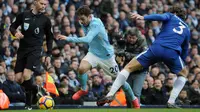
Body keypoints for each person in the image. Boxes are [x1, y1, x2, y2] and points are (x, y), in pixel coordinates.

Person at [97, 5, 190, 108]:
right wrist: (181, 63)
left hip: (157, 48)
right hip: (172, 53)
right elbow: (185, 49)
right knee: (183, 75)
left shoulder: (172, 16)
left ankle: (110, 94)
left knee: (128, 68)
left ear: (175, 13)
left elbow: (160, 17)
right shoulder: (187, 28)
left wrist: (143, 17)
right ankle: (171, 101)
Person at [57, 5, 140, 108]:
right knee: (81, 69)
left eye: (83, 19)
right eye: (79, 19)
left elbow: (87, 39)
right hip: (93, 53)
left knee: (121, 81)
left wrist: (68, 38)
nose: (81, 21)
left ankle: (134, 99)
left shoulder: (96, 23)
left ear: (89, 16)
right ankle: (83, 89)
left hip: (107, 57)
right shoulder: (83, 22)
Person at [9, 0, 53, 109]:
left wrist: (48, 54)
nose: (44, 6)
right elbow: (12, 27)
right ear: (35, 2)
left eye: (45, 4)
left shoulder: (46, 20)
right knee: (19, 79)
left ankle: (28, 104)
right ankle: (36, 89)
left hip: (35, 50)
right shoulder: (23, 15)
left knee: (26, 75)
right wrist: (16, 33)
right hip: (22, 50)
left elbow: (50, 38)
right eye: (42, 3)